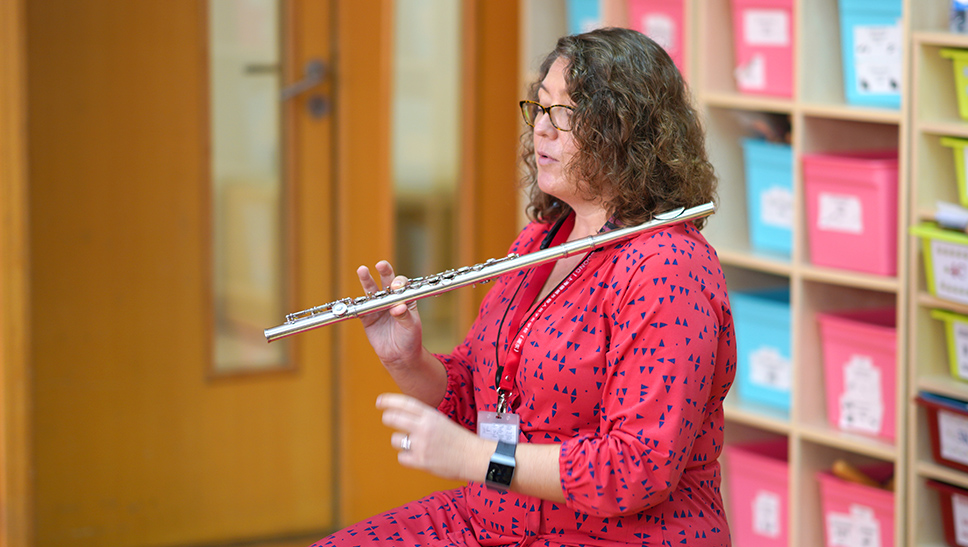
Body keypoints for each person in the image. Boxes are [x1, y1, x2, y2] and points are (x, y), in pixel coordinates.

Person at [313, 27, 735, 547]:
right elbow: (478, 400)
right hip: (495, 517)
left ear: (629, 133)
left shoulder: (670, 268)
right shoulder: (539, 241)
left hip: (611, 536)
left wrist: (474, 458)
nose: (542, 130)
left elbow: (635, 470)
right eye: (539, 108)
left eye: (566, 114)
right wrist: (408, 360)